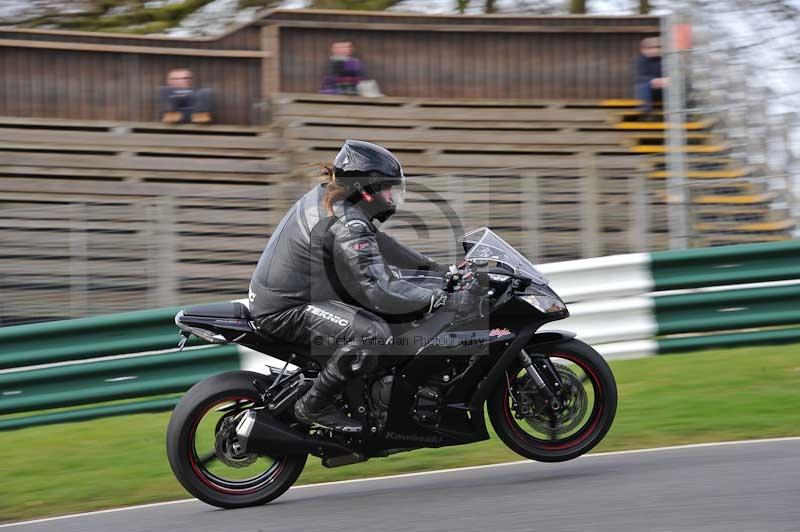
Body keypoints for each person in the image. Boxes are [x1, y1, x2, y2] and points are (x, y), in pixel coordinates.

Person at [248, 140, 474, 432]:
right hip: (287, 308)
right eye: (386, 188)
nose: (391, 196)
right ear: (365, 189)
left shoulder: (334, 201)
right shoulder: (348, 221)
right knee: (373, 333)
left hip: (294, 297)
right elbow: (377, 289)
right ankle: (313, 405)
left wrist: (441, 271)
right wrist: (438, 300)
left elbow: (385, 246)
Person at [634, 37, 670, 116]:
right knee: (643, 84)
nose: (655, 50)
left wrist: (667, 79)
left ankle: (675, 108)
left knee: (675, 81)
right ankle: (645, 110)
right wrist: (654, 80)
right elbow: (641, 77)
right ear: (643, 50)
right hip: (649, 92)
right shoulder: (640, 60)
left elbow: (672, 73)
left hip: (663, 91)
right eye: (650, 48)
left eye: (657, 47)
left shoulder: (665, 59)